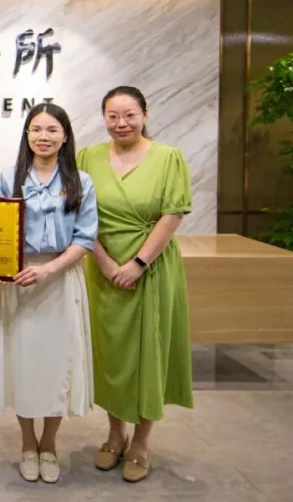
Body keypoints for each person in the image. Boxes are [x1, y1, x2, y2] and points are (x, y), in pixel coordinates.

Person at [77, 86, 194, 483]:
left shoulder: (168, 157)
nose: (121, 123)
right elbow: (78, 215)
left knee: (149, 351)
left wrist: (138, 263)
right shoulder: (87, 157)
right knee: (111, 352)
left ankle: (142, 441)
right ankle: (115, 434)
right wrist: (107, 263)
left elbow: (172, 214)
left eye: (129, 114)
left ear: (145, 113)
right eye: (112, 116)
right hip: (103, 267)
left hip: (152, 268)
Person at [0, 102, 98, 484]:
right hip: (20, 282)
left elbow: (85, 238)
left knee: (56, 366)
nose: (43, 136)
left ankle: (49, 444)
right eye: (36, 129)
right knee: (24, 365)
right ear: (27, 134)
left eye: (52, 130)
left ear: (65, 136)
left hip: (61, 280)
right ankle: (27, 443)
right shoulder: (9, 179)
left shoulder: (81, 181)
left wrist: (49, 269)